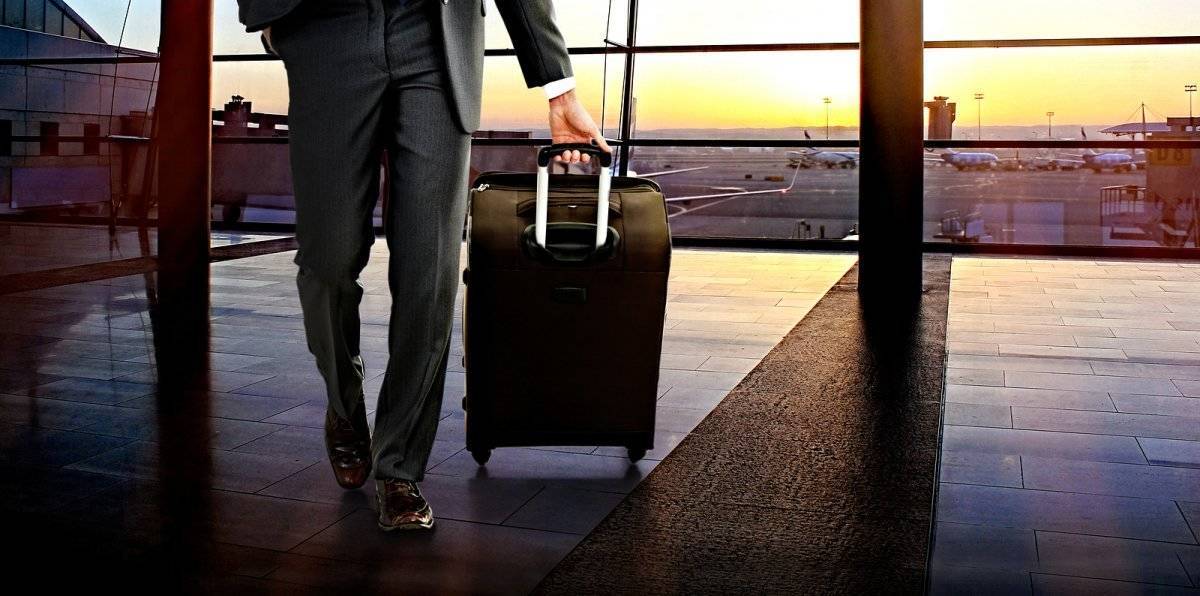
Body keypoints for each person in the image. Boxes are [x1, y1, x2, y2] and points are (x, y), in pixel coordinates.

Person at [235, 0, 611, 531]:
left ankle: (399, 467)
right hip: (328, 31)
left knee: (429, 273)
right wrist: (270, 17)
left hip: (436, 39)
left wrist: (559, 87)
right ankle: (344, 403)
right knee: (328, 258)